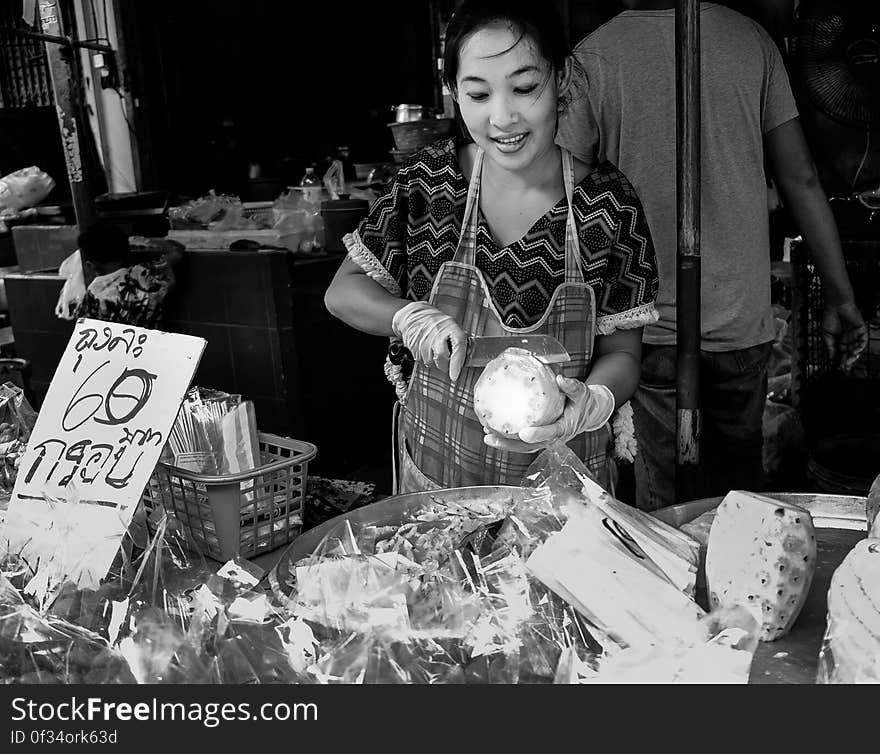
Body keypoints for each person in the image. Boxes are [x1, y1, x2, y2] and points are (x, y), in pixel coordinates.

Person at [324, 0, 660, 494]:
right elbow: (343, 292)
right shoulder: (429, 184)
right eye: (478, 94)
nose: (502, 118)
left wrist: (594, 400)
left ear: (560, 78)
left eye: (525, 88)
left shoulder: (607, 205)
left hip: (565, 496)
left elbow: (624, 353)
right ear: (453, 93)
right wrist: (409, 317)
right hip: (437, 489)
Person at [557, 0, 868, 510]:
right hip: (733, 320)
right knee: (740, 500)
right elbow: (800, 177)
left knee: (665, 510)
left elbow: (566, 197)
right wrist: (841, 295)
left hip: (645, 328)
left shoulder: (593, 57)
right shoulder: (751, 42)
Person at [76, 222, 183, 329]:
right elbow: (177, 250)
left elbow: (82, 330)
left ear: (90, 265)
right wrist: (146, 241)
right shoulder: (145, 276)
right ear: (126, 251)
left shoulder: (93, 293)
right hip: (151, 343)